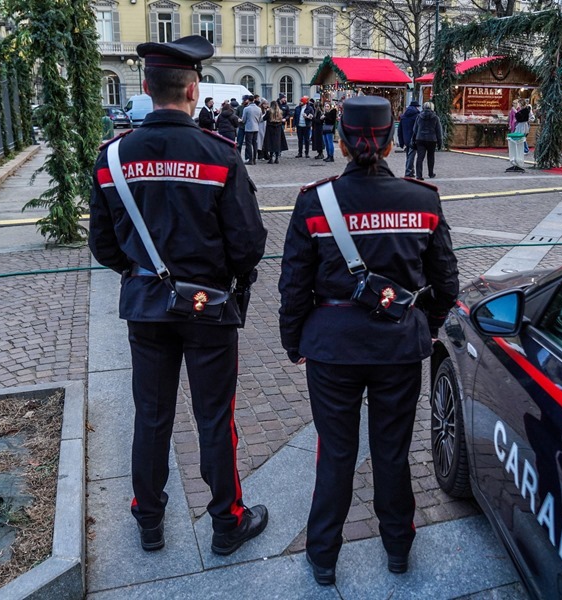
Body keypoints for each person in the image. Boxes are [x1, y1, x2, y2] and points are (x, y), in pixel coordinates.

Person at [88, 35, 269, 556]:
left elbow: (104, 245)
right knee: (215, 418)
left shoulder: (113, 157)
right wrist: (221, 278)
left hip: (145, 307)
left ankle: (148, 519)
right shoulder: (219, 155)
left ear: (146, 88)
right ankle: (226, 521)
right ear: (193, 90)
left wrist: (144, 273)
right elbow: (249, 243)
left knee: (151, 415)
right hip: (209, 308)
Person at [278, 96, 459, 586]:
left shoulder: (315, 201)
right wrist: (426, 322)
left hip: (332, 348)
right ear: (392, 138)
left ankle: (323, 556)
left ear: (339, 139)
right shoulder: (423, 200)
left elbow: (294, 284)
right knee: (392, 450)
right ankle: (398, 546)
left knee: (336, 452)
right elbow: (445, 281)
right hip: (398, 347)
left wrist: (294, 341)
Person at [411, 101, 443, 181]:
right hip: (432, 139)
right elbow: (439, 131)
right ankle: (431, 173)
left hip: (420, 139)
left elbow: (415, 129)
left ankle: (419, 175)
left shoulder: (419, 116)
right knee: (431, 156)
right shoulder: (435, 117)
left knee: (420, 157)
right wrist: (440, 143)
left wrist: (413, 139)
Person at [397, 100, 420, 178]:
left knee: (409, 155)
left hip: (405, 139)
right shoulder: (417, 116)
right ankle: (408, 171)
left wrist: (401, 142)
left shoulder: (403, 116)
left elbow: (399, 130)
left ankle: (411, 171)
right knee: (411, 156)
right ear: (416, 107)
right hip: (413, 138)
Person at [242, 94, 262, 165]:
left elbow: (243, 120)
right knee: (255, 143)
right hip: (256, 127)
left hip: (249, 128)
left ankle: (250, 159)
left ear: (248, 100)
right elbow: (260, 119)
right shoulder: (259, 109)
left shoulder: (246, 109)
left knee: (248, 144)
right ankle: (254, 159)